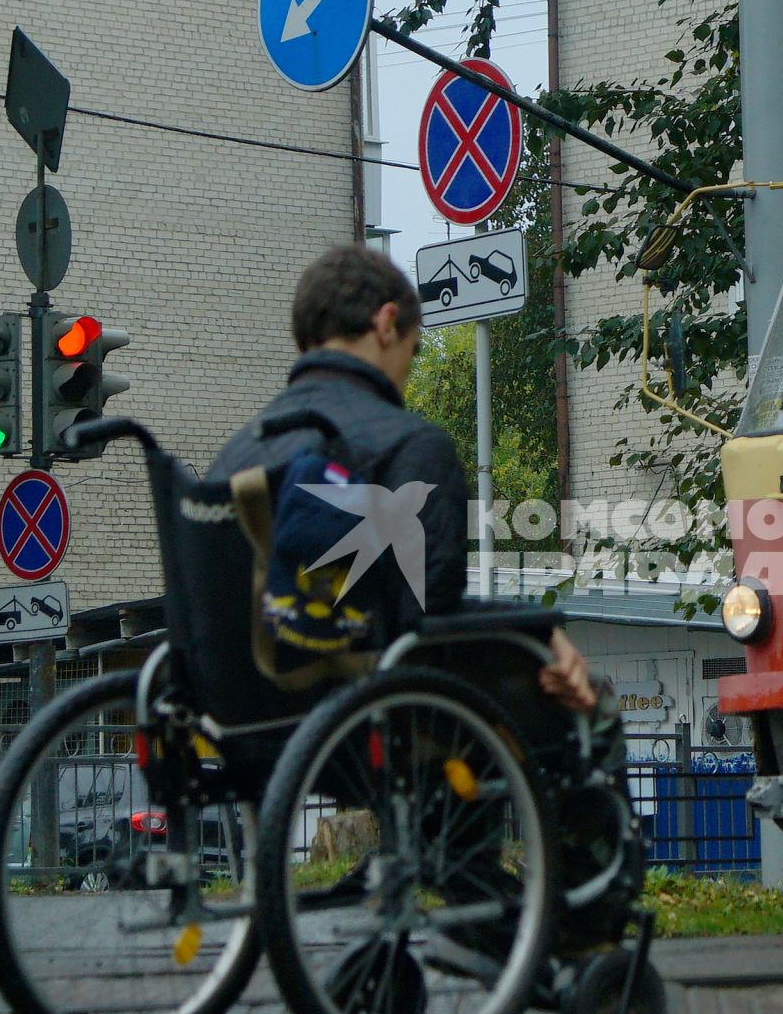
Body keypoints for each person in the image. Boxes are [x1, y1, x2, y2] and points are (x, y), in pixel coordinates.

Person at [209, 243, 596, 715]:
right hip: (373, 716)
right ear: (387, 323)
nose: (405, 380)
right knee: (594, 703)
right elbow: (428, 622)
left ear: (303, 340)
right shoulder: (410, 446)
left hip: (241, 717)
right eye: (412, 355)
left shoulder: (234, 456)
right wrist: (539, 628)